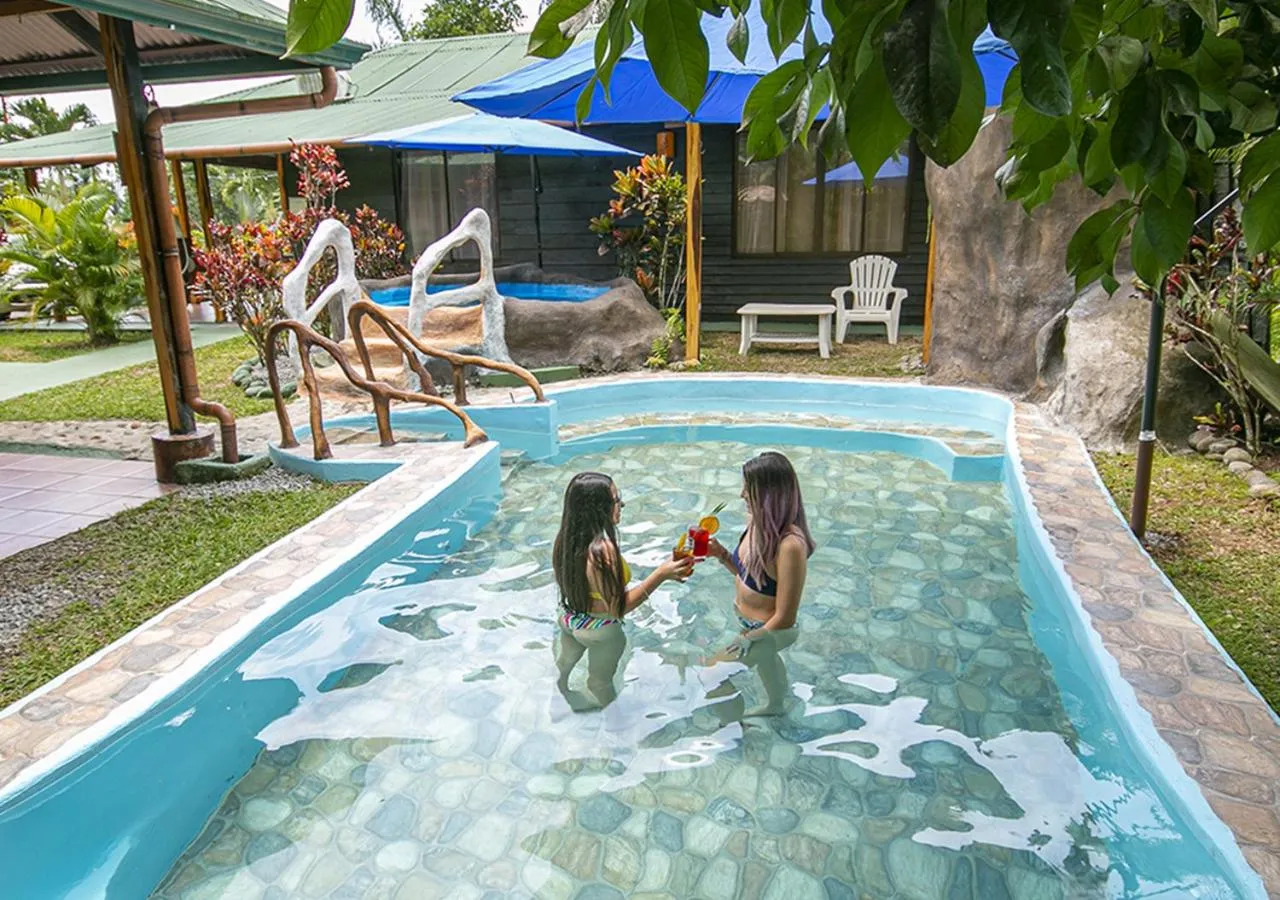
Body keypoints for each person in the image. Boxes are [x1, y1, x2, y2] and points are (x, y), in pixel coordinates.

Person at [553, 472, 694, 709]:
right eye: (616, 500)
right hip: (599, 630)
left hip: (570, 619)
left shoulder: (566, 539)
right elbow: (617, 608)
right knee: (599, 683)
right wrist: (661, 574)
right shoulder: (602, 550)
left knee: (564, 668)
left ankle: (562, 698)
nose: (622, 505)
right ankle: (617, 726)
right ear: (599, 508)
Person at [707, 451, 815, 716]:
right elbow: (750, 577)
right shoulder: (756, 523)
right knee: (767, 662)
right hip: (749, 625)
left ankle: (732, 728)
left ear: (769, 494)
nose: (742, 494)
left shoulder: (790, 545)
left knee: (713, 675)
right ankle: (775, 706)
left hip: (769, 630)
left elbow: (786, 617)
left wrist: (748, 639)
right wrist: (721, 554)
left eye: (749, 488)